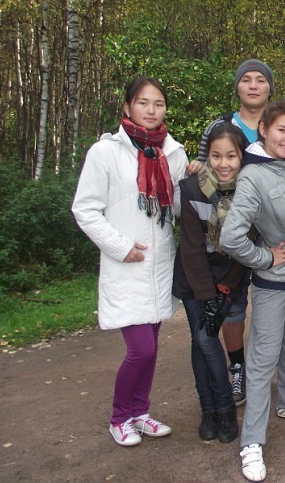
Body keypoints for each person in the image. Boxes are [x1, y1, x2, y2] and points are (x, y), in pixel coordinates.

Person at [72, 77, 188, 447]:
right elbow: (85, 210)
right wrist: (120, 247)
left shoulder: (174, 152)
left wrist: (197, 180)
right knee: (142, 350)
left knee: (151, 346)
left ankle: (140, 412)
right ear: (127, 107)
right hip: (127, 265)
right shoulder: (105, 152)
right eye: (143, 102)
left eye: (158, 103)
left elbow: (179, 209)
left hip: (159, 264)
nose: (151, 110)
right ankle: (119, 417)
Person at [219, 99, 285, 482]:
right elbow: (231, 237)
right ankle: (252, 442)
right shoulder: (252, 176)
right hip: (273, 282)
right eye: (282, 130)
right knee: (263, 359)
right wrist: (265, 257)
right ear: (264, 129)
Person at [188, 58, 275, 406]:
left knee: (271, 302)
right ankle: (237, 365)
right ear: (237, 86)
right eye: (246, 79)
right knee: (233, 304)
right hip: (227, 231)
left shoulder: (276, 124)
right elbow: (202, 168)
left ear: (270, 87)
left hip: (269, 229)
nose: (253, 85)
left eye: (260, 80)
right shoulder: (220, 126)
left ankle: (266, 367)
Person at [173, 124, 251, 444]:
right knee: (201, 340)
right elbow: (191, 248)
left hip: (229, 275)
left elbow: (246, 247)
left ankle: (223, 408)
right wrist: (207, 295)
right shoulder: (192, 188)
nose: (223, 163)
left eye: (231, 156)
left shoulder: (250, 189)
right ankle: (212, 409)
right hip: (194, 275)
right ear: (207, 157)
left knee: (203, 339)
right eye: (216, 156)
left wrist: (223, 291)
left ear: (242, 156)